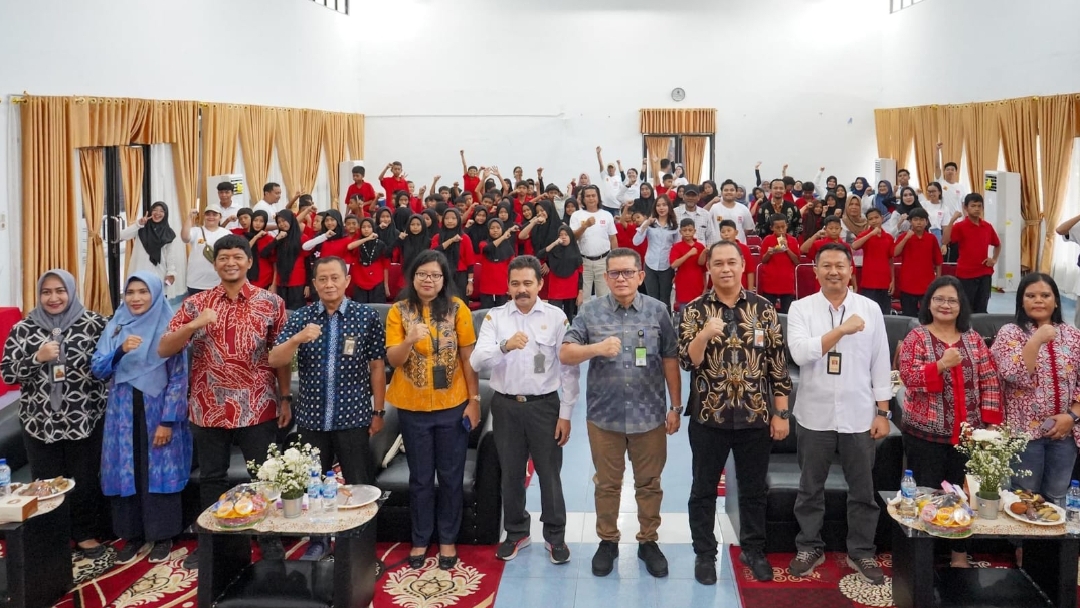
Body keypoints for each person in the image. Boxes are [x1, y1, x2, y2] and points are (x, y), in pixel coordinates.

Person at [158, 235, 292, 569]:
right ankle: (212, 542)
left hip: (258, 405)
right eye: (223, 258)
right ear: (215, 264)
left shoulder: (271, 303)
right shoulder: (196, 304)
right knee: (212, 478)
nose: (230, 263)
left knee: (265, 476)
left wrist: (285, 397)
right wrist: (194, 325)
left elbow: (281, 355)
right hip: (209, 406)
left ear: (249, 262)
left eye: (237, 257)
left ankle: (269, 539)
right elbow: (164, 348)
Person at [559, 248, 682, 579]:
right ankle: (608, 541)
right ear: (606, 277)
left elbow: (670, 358)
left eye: (628, 272)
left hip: (650, 415)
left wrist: (675, 406)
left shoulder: (658, 311)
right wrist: (596, 348)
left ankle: (648, 540)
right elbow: (566, 353)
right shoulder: (590, 311)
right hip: (605, 416)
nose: (621, 279)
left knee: (649, 483)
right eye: (614, 273)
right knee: (607, 484)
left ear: (641, 276)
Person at [678, 241, 792, 585]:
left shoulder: (764, 309)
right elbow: (687, 361)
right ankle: (704, 553)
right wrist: (703, 335)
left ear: (743, 265)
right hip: (708, 417)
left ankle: (753, 550)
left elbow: (777, 365)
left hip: (755, 416)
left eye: (731, 262)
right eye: (718, 263)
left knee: (753, 490)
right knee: (703, 489)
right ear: (709, 268)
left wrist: (781, 414)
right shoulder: (694, 310)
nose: (725, 269)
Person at [785, 243, 892, 585]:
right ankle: (809, 546)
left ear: (850, 270)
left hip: (859, 414)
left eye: (840, 266)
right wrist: (842, 330)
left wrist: (883, 411)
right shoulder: (801, 309)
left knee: (863, 490)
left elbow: (880, 362)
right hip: (814, 413)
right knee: (809, 488)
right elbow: (800, 354)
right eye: (826, 265)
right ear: (815, 271)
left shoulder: (870, 309)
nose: (833, 271)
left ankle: (861, 551)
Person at [269, 256, 387, 560]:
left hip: (354, 416)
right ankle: (319, 542)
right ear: (314, 284)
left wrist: (378, 411)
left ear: (347, 280)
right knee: (314, 484)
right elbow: (275, 359)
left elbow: (377, 366)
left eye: (335, 278)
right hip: (312, 418)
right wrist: (298, 339)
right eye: (323, 279)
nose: (329, 284)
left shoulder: (366, 316)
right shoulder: (301, 317)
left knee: (359, 485)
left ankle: (359, 549)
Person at [469, 256, 579, 565]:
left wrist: (566, 413)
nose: (522, 289)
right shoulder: (495, 318)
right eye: (515, 284)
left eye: (528, 283)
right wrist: (504, 346)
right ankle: (516, 531)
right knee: (511, 473)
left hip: (545, 407)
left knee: (549, 474)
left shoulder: (556, 317)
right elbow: (476, 361)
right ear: (507, 286)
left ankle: (555, 536)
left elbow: (569, 370)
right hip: (506, 407)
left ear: (540, 284)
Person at [0, 270, 109, 558]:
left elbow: (108, 366)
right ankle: (53, 537)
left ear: (71, 291)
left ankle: (85, 534)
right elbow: (8, 374)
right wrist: (37, 358)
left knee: (85, 478)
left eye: (60, 290)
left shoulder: (94, 324)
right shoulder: (24, 329)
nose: (53, 297)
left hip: (84, 417)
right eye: (46, 292)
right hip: (40, 420)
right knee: (46, 483)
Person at [384, 250, 480, 571]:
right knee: (420, 478)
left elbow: (468, 358)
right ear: (412, 277)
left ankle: (448, 538)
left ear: (444, 279)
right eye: (422, 274)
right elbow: (394, 360)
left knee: (451, 476)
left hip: (452, 406)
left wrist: (474, 401)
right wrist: (409, 340)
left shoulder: (458, 309)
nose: (429, 280)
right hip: (412, 408)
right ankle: (421, 538)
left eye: (435, 275)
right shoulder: (398, 311)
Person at [897, 275, 1001, 568]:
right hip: (925, 435)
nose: (945, 305)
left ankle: (958, 554)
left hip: (968, 436)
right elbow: (909, 378)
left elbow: (990, 380)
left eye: (952, 300)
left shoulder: (973, 339)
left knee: (963, 496)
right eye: (939, 299)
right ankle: (924, 556)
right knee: (926, 496)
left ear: (961, 305)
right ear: (928, 304)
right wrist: (941, 364)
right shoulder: (917, 338)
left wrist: (990, 426)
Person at [91, 272, 192, 565]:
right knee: (127, 468)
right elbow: (97, 369)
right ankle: (132, 534)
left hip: (158, 410)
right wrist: (120, 350)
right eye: (130, 292)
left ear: (156, 294)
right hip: (122, 412)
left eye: (143, 292)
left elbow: (179, 378)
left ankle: (163, 535)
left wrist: (167, 421)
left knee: (159, 471)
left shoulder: (170, 327)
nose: (136, 298)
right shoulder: (116, 326)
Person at [991, 273, 1080, 506]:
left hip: (1065, 433)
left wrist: (1071, 417)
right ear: (1021, 301)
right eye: (1030, 296)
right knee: (1024, 498)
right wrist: (1036, 340)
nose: (1038, 300)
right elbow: (1012, 374)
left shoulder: (1073, 335)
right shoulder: (1010, 333)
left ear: (1056, 301)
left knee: (1057, 498)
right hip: (1024, 435)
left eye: (1045, 295)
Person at [944, 193, 1000, 314]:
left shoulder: (987, 226)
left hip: (984, 272)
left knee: (982, 307)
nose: (976, 209)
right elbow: (945, 240)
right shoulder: (960, 226)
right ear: (966, 208)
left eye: (979, 206)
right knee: (965, 308)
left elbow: (997, 244)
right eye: (973, 206)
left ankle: (980, 327)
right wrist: (952, 220)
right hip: (966, 274)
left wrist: (994, 259)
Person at [569, 185, 618, 299]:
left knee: (604, 297)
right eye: (588, 196)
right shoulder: (577, 215)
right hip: (584, 262)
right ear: (583, 199)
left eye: (593, 195)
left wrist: (615, 259)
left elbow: (612, 238)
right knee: (584, 297)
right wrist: (585, 226)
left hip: (603, 261)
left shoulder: (607, 215)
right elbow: (573, 238)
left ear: (598, 197)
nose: (591, 198)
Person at [633, 195, 680, 308]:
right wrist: (645, 224)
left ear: (669, 207)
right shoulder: (650, 224)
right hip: (650, 265)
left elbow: (677, 247)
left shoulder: (674, 226)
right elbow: (636, 241)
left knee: (665, 299)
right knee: (652, 298)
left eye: (664, 205)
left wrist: (677, 270)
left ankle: (665, 319)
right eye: (658, 205)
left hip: (667, 266)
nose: (661, 208)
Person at [894, 208, 942, 317]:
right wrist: (906, 238)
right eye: (915, 219)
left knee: (928, 317)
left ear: (927, 222)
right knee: (908, 317)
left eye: (922, 219)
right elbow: (895, 253)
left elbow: (938, 261)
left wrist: (938, 281)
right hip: (907, 285)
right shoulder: (903, 237)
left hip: (928, 285)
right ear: (910, 221)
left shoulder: (931, 238)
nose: (919, 222)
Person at [118, 201, 178, 288]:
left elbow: (170, 256)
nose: (158, 213)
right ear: (150, 211)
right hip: (139, 271)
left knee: (157, 294)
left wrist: (171, 273)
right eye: (155, 210)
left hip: (159, 273)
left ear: (166, 214)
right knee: (139, 293)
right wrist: (138, 224)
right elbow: (122, 235)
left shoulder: (168, 233)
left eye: (161, 211)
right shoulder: (142, 227)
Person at [261, 209, 311, 310]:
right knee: (282, 310)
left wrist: (308, 284)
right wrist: (276, 240)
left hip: (298, 282)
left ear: (291, 220)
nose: (282, 224)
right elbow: (264, 253)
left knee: (296, 311)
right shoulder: (279, 239)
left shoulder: (302, 238)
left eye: (284, 220)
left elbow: (307, 262)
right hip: (281, 282)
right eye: (279, 222)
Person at [851, 208, 896, 315]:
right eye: (870, 219)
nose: (874, 221)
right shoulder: (865, 235)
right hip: (869, 282)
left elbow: (891, 261)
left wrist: (893, 280)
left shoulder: (889, 237)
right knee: (869, 314)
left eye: (876, 217)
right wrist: (871, 234)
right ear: (868, 221)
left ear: (882, 218)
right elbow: (854, 246)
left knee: (885, 314)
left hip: (885, 282)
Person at [181, 205, 230, 297]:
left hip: (218, 282)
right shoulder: (196, 231)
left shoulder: (226, 233)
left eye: (214, 214)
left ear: (220, 217)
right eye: (208, 214)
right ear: (204, 216)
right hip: (196, 282)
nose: (211, 217)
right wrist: (189, 217)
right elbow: (185, 237)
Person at [758, 214, 800, 313]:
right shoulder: (767, 240)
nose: (781, 230)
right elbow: (763, 260)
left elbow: (797, 261)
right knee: (768, 312)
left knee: (787, 312)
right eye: (777, 227)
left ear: (787, 226)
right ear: (772, 228)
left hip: (787, 283)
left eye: (783, 227)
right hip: (770, 282)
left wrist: (787, 249)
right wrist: (769, 253)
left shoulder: (793, 240)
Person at [432, 208, 475, 300]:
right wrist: (451, 240)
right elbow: (433, 252)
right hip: (441, 274)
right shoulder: (437, 237)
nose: (450, 221)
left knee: (459, 302)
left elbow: (470, 262)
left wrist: (470, 282)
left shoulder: (464, 238)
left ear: (458, 220)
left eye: (453, 218)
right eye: (447, 218)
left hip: (460, 276)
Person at [477, 219, 518, 309]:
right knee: (487, 313)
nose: (495, 230)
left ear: (502, 229)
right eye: (492, 228)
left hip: (502, 287)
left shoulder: (508, 247)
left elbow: (512, 268)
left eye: (498, 228)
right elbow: (488, 249)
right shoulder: (483, 243)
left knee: (502, 313)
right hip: (486, 287)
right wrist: (503, 237)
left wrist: (511, 285)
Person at [346, 217, 390, 303]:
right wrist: (367, 238)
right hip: (359, 280)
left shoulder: (380, 244)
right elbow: (349, 247)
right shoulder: (357, 243)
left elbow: (385, 265)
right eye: (363, 227)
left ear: (373, 228)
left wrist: (386, 285)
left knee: (377, 307)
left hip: (377, 281)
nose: (366, 229)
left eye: (369, 227)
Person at [670, 219, 707, 312]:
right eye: (684, 230)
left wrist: (705, 287)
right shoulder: (677, 246)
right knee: (684, 313)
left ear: (694, 231)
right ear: (680, 232)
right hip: (683, 286)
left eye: (690, 230)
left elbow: (704, 269)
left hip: (698, 285)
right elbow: (673, 265)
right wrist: (688, 254)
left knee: (699, 314)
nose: (687, 233)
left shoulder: (700, 246)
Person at [710, 180, 756, 244]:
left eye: (732, 190)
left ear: (736, 192)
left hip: (738, 246)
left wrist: (737, 236)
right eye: (726, 190)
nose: (729, 192)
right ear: (721, 193)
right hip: (719, 246)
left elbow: (749, 228)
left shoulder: (743, 208)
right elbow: (709, 227)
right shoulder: (714, 208)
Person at [718, 220, 757, 292]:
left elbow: (750, 271)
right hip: (723, 288)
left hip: (742, 288)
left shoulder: (744, 249)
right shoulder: (717, 250)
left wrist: (750, 290)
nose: (726, 234)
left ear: (736, 232)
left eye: (729, 231)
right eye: (723, 232)